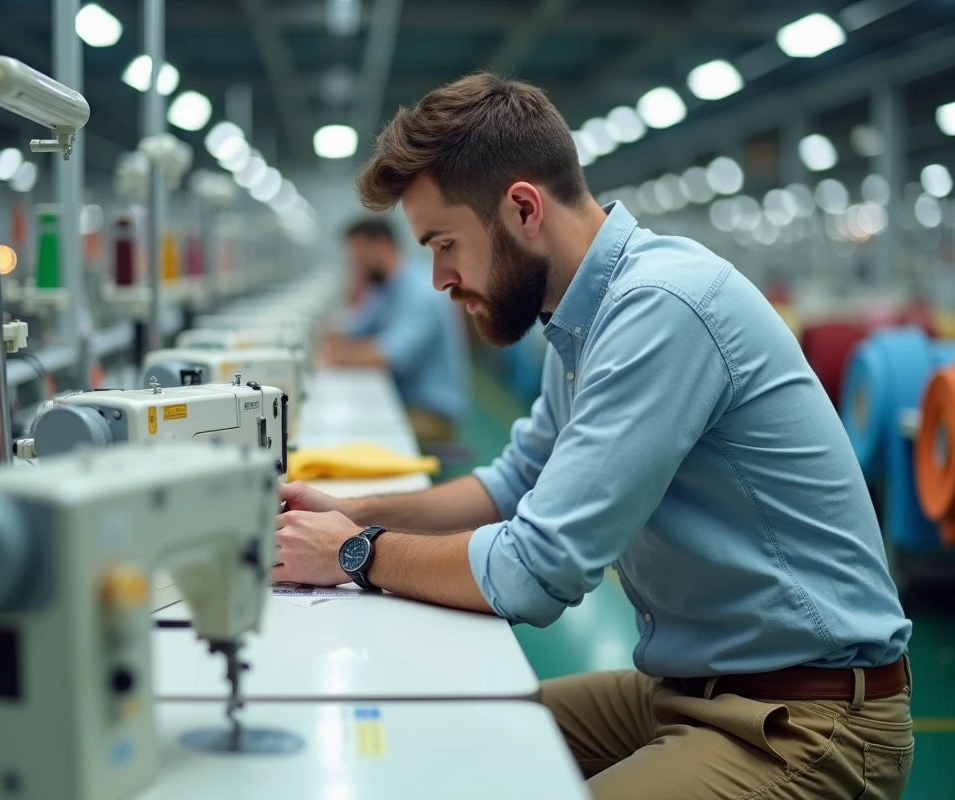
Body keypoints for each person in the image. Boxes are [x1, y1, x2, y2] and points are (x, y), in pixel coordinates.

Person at [275, 73, 914, 800]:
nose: (438, 278)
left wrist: (355, 555)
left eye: (445, 243)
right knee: (445, 743)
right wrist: (350, 515)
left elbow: (535, 570)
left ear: (522, 209)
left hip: (805, 717)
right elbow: (514, 485)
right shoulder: (580, 320)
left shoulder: (659, 310)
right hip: (684, 689)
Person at [321, 216, 470, 445]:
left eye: (360, 258)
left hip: (432, 413)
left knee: (357, 432)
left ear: (381, 245)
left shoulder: (422, 292)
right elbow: (354, 329)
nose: (357, 266)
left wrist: (334, 357)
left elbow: (387, 356)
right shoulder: (386, 287)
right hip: (405, 399)